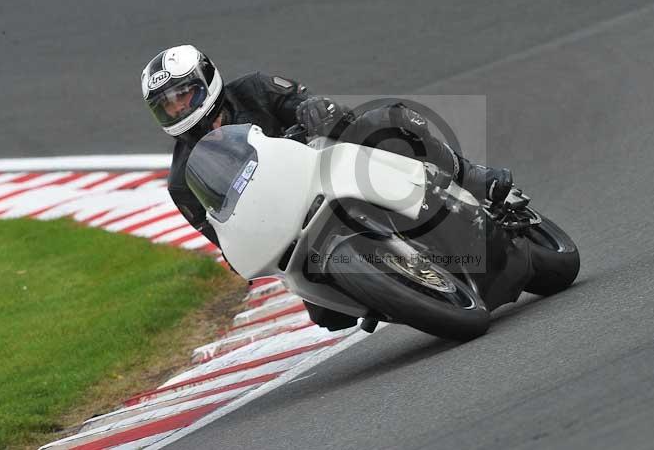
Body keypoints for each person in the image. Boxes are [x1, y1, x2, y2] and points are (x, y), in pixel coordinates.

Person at [141, 44, 512, 329]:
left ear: (206, 81)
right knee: (328, 316)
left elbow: (312, 105)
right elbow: (221, 234)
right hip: (288, 225)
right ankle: (392, 289)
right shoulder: (182, 182)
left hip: (325, 166)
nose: (178, 110)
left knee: (385, 122)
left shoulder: (254, 89)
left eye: (182, 96)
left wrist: (315, 109)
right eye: (166, 106)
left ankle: (471, 176)